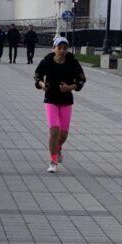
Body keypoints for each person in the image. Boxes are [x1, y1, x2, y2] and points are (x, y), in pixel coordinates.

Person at [34, 36, 86, 173]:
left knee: (63, 135)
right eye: (59, 48)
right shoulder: (47, 61)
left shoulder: (72, 62)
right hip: (50, 99)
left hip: (66, 101)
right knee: (54, 131)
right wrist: (42, 84)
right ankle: (53, 161)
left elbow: (81, 80)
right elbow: (37, 76)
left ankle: (58, 148)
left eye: (65, 48)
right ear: (54, 48)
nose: (62, 51)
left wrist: (69, 88)